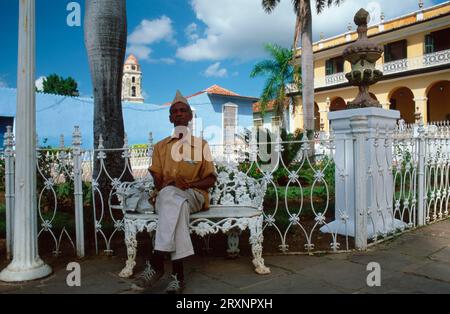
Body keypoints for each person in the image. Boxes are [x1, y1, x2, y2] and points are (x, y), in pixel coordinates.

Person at [132, 90, 217, 294]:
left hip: (194, 195)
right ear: (170, 117)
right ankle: (177, 277)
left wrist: (189, 184)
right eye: (175, 111)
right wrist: (167, 181)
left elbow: (211, 178)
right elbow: (158, 181)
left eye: (183, 110)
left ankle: (157, 261)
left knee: (173, 198)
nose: (179, 114)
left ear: (189, 116)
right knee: (173, 199)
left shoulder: (201, 145)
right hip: (167, 196)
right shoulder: (160, 147)